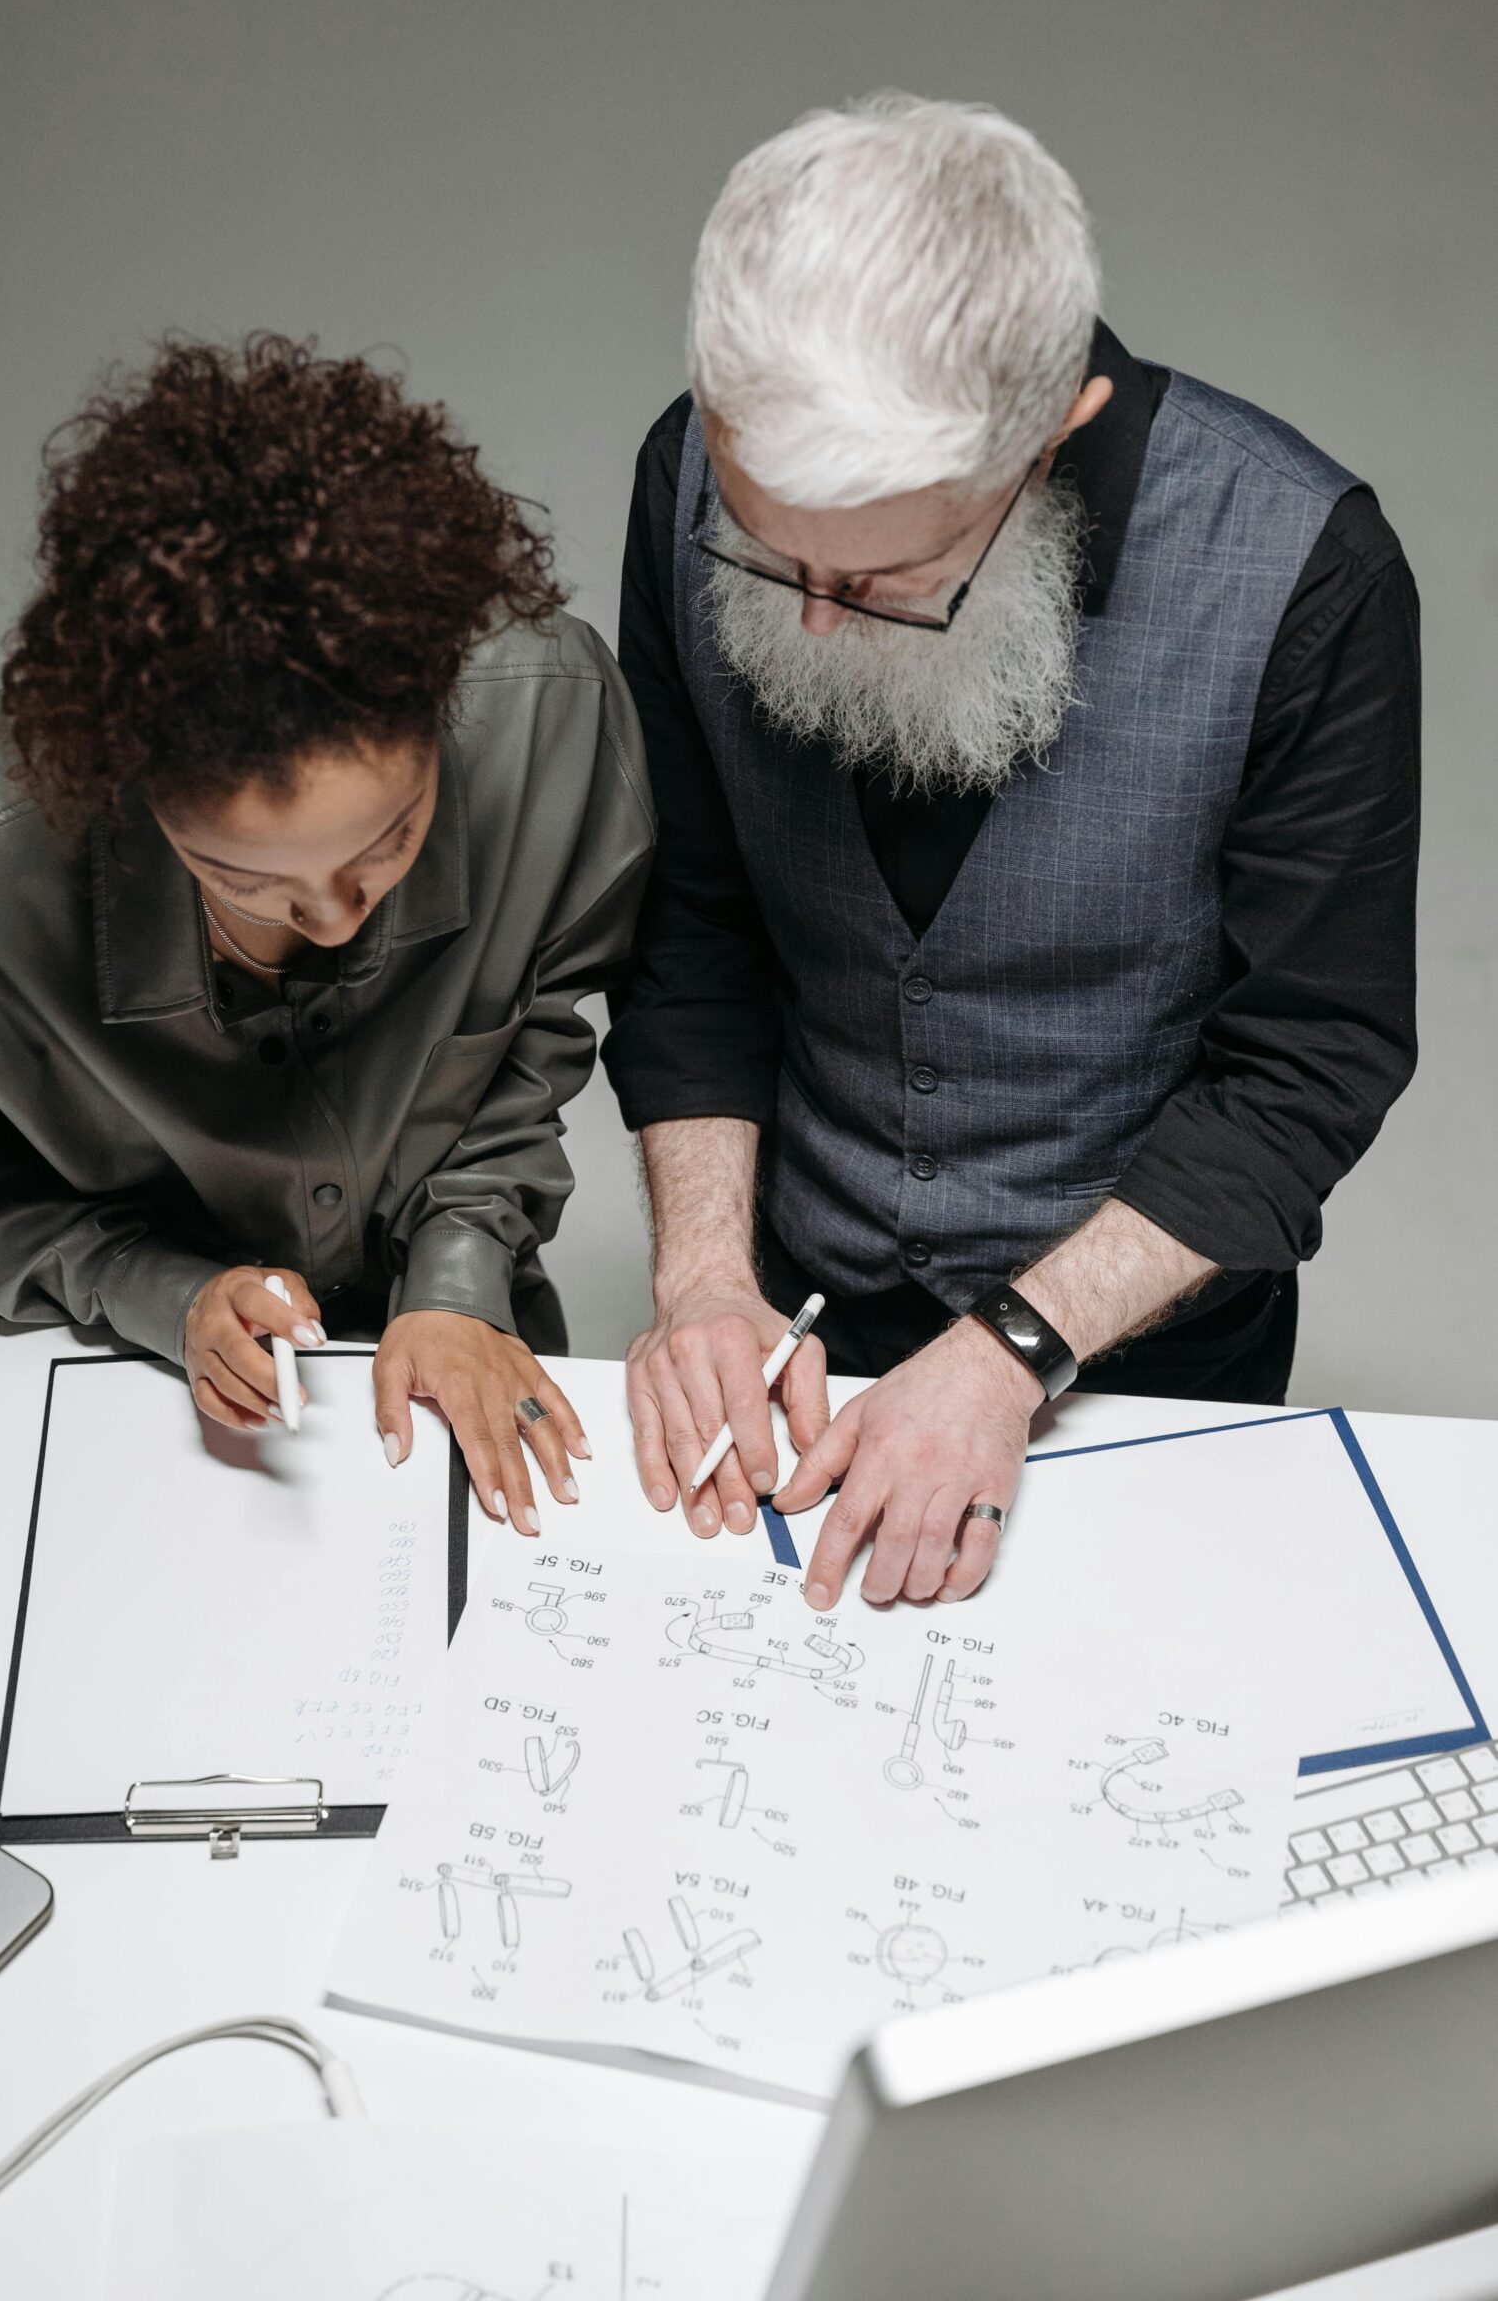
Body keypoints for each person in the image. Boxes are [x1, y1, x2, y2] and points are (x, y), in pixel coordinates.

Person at [604, 95, 1419, 1611]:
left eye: (887, 576)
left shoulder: (1311, 569)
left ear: (1055, 428)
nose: (813, 623)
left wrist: (1007, 1357)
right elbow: (693, 930)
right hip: (793, 1309)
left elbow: (1305, 1067)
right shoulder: (686, 473)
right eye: (769, 555)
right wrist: (703, 1276)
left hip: (1140, 1352)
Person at [0, 335, 653, 1530]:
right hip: (67, 1368)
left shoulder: (543, 724)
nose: (336, 915)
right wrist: (150, 1288)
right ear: (124, 782)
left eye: (390, 839)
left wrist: (458, 1277)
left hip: (441, 1347)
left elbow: (535, 1033)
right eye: (243, 877)